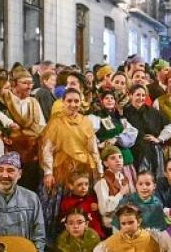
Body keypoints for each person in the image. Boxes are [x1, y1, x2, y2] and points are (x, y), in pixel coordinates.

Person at [40, 88, 102, 238]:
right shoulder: (55, 122)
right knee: (60, 207)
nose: (73, 104)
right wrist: (48, 172)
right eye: (69, 101)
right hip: (61, 169)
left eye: (76, 101)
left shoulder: (85, 121)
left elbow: (93, 148)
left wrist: (99, 170)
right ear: (63, 102)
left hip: (83, 169)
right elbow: (47, 149)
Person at [2, 68, 46, 191]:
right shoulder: (5, 101)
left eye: (31, 83)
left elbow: (41, 128)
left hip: (31, 157)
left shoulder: (34, 102)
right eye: (25, 83)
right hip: (10, 156)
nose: (29, 86)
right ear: (13, 84)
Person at [89, 90, 139, 187]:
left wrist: (117, 139)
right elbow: (90, 135)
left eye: (112, 98)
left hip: (124, 157)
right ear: (102, 101)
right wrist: (100, 144)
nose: (109, 100)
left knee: (127, 188)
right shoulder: (96, 117)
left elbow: (132, 133)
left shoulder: (120, 118)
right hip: (107, 158)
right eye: (106, 98)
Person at [123, 84, 171, 176]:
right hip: (133, 152)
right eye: (138, 95)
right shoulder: (125, 112)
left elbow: (170, 126)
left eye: (143, 95)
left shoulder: (153, 112)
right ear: (131, 95)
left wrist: (159, 139)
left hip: (152, 152)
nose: (141, 98)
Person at [59, 171, 105, 239]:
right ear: (71, 186)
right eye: (79, 185)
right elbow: (65, 222)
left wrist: (99, 207)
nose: (84, 187)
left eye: (86, 184)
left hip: (97, 235)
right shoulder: (67, 202)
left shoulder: (92, 199)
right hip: (78, 236)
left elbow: (100, 218)